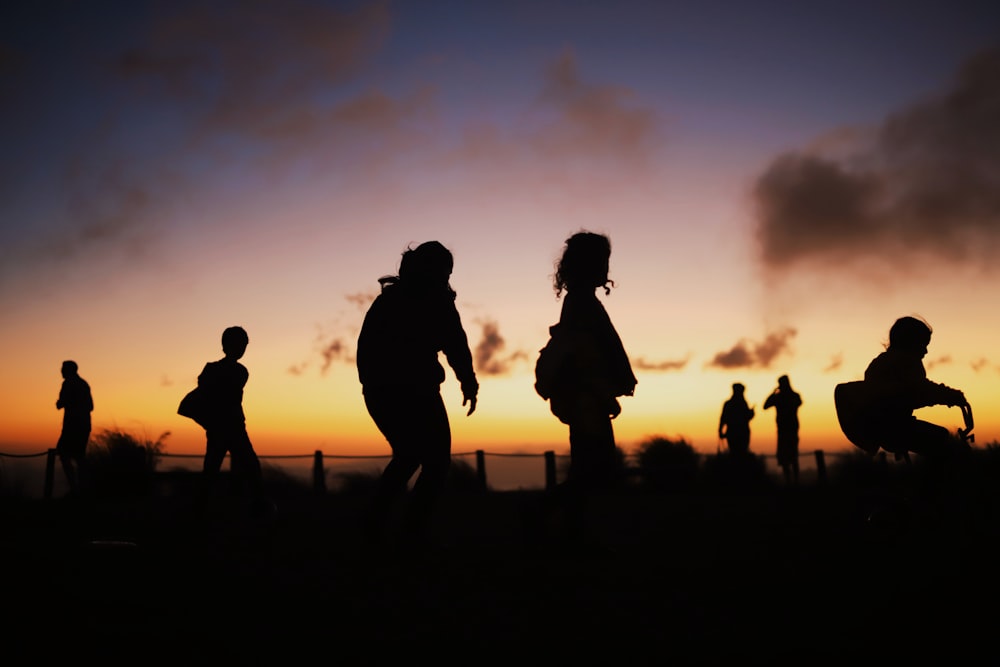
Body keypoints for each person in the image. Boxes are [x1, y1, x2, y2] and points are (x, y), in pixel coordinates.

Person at [356, 241, 479, 548]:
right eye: (443, 270)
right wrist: (468, 381)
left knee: (412, 457)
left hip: (386, 392)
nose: (445, 277)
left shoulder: (388, 301)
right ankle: (406, 533)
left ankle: (383, 528)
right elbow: (455, 344)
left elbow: (455, 345)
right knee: (432, 463)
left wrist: (467, 381)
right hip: (411, 393)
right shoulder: (430, 301)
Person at [538, 231, 637, 543]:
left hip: (588, 395)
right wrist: (603, 390)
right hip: (585, 397)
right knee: (593, 467)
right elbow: (583, 353)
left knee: (590, 467)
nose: (605, 267)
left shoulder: (581, 300)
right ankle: (549, 519)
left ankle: (570, 531)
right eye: (601, 261)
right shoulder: (581, 302)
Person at [861, 315, 968, 461]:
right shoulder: (905, 361)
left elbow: (912, 393)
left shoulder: (880, 362)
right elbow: (920, 390)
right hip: (896, 428)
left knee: (938, 439)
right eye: (923, 345)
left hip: (881, 428)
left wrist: (944, 396)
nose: (925, 351)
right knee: (943, 441)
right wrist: (950, 396)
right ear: (910, 342)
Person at [194, 326, 271, 518]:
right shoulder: (239, 371)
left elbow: (206, 390)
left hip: (220, 427)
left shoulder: (213, 370)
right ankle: (258, 507)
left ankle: (202, 509)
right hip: (232, 427)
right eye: (241, 344)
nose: (243, 348)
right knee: (250, 467)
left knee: (213, 469)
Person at [55, 360, 93, 494]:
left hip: (72, 426)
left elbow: (60, 404)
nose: (61, 371)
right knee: (79, 456)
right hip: (84, 425)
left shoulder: (68, 383)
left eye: (63, 368)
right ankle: (83, 488)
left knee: (64, 453)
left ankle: (75, 488)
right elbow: (90, 406)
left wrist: (64, 402)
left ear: (69, 370)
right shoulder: (84, 384)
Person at [763, 375, 802, 484]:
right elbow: (765, 406)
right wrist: (773, 393)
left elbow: (798, 403)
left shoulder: (791, 396)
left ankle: (793, 482)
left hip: (789, 430)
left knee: (792, 457)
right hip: (784, 430)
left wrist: (774, 394)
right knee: (787, 458)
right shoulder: (785, 396)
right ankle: (791, 482)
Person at [719, 382, 754, 457]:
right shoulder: (742, 403)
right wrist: (751, 413)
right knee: (739, 454)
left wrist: (720, 431)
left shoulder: (729, 403)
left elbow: (723, 418)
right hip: (739, 432)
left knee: (736, 453)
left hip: (734, 432)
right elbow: (724, 418)